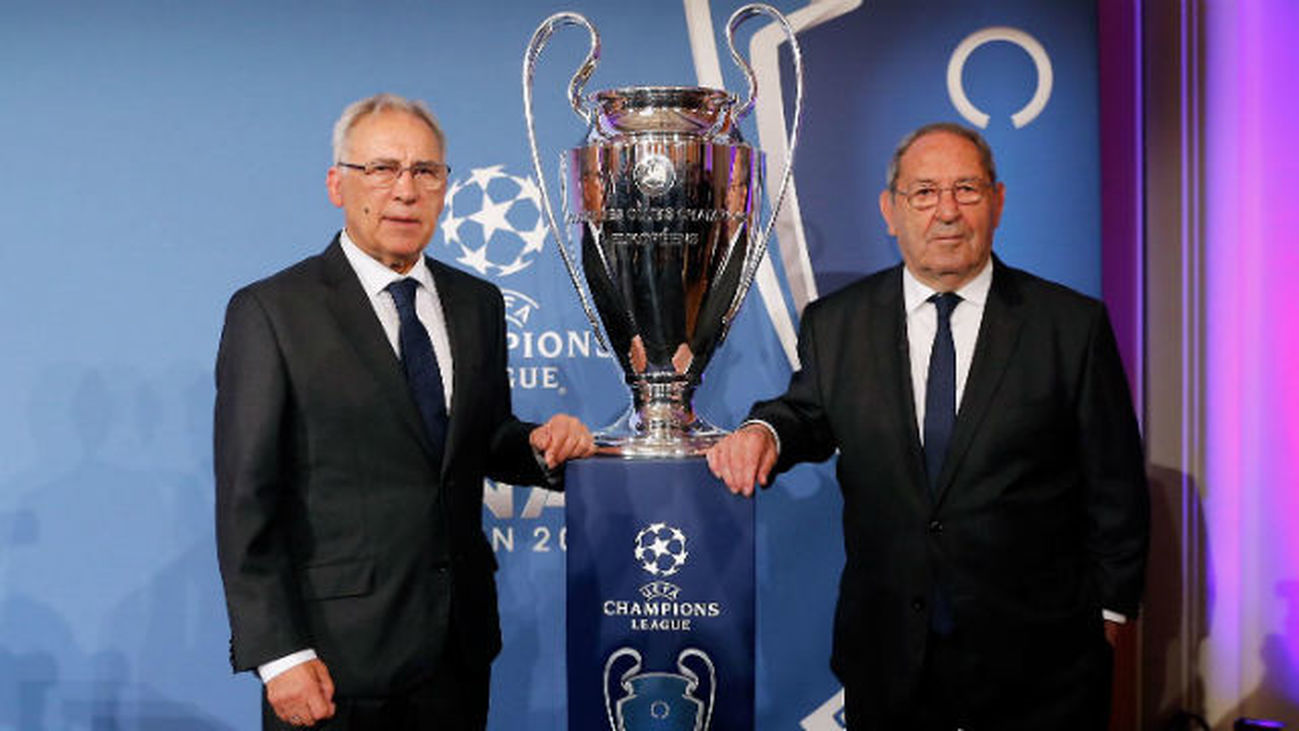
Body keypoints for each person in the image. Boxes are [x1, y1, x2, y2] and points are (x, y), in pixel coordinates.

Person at [706, 122, 1149, 730]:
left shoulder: (1070, 327)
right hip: (891, 664)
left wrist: (1113, 615)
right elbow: (809, 412)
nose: (946, 212)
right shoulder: (838, 323)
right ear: (891, 211)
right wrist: (765, 432)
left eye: (966, 190)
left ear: (997, 202)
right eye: (924, 193)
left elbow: (1116, 483)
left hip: (1043, 669)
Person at [214, 93, 595, 730]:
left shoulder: (477, 302)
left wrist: (538, 445)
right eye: (382, 169)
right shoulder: (273, 312)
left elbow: (478, 439)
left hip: (457, 651)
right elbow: (247, 499)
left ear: (446, 186)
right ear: (338, 184)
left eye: (426, 171)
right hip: (333, 659)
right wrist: (278, 653)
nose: (406, 190)